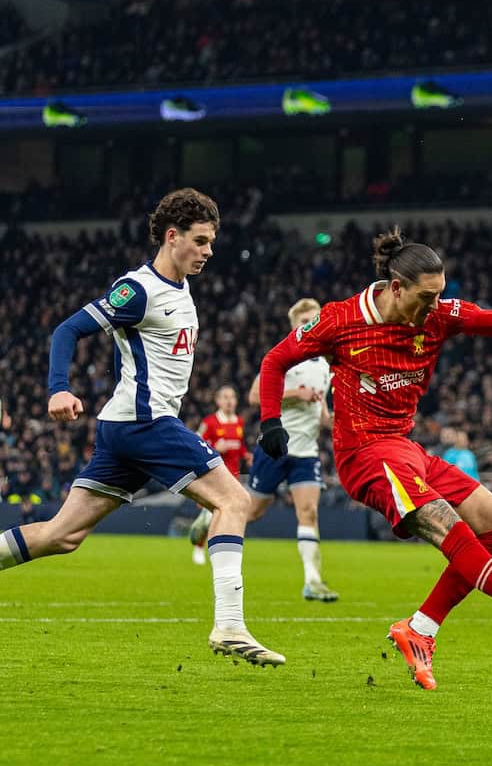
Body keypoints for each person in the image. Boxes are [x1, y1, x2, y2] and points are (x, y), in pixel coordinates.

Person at [256, 228, 492, 689]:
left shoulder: (437, 316)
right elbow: (275, 360)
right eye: (426, 296)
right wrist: (271, 422)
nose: (435, 306)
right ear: (396, 288)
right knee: (449, 528)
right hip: (367, 454)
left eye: (439, 295)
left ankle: (420, 629)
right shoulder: (341, 320)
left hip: (407, 449)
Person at [0, 188, 284, 666]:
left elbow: (130, 350)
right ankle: (230, 626)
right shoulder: (138, 290)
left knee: (62, 536)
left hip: (126, 426)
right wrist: (56, 388)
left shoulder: (178, 287)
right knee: (234, 501)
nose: (209, 251)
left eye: (211, 241)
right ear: (172, 238)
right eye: (200, 241)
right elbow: (67, 329)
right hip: (145, 423)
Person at [192, 299, 338, 600]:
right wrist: (295, 393)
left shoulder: (325, 367)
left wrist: (341, 418)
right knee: (253, 510)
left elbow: (323, 416)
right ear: (295, 326)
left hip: (306, 452)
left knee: (308, 512)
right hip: (275, 447)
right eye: (306, 321)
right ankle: (210, 518)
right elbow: (255, 396)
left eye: (316, 320)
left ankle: (312, 581)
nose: (312, 325)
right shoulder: (284, 357)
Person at [189, 385, 250, 565]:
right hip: (213, 476)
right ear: (218, 401)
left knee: (226, 513)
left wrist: (247, 455)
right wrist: (216, 448)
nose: (229, 401)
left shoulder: (239, 422)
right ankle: (199, 546)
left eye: (232, 397)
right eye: (225, 397)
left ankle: (220, 549)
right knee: (214, 513)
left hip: (233, 476)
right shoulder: (209, 423)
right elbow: (195, 446)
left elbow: (240, 445)